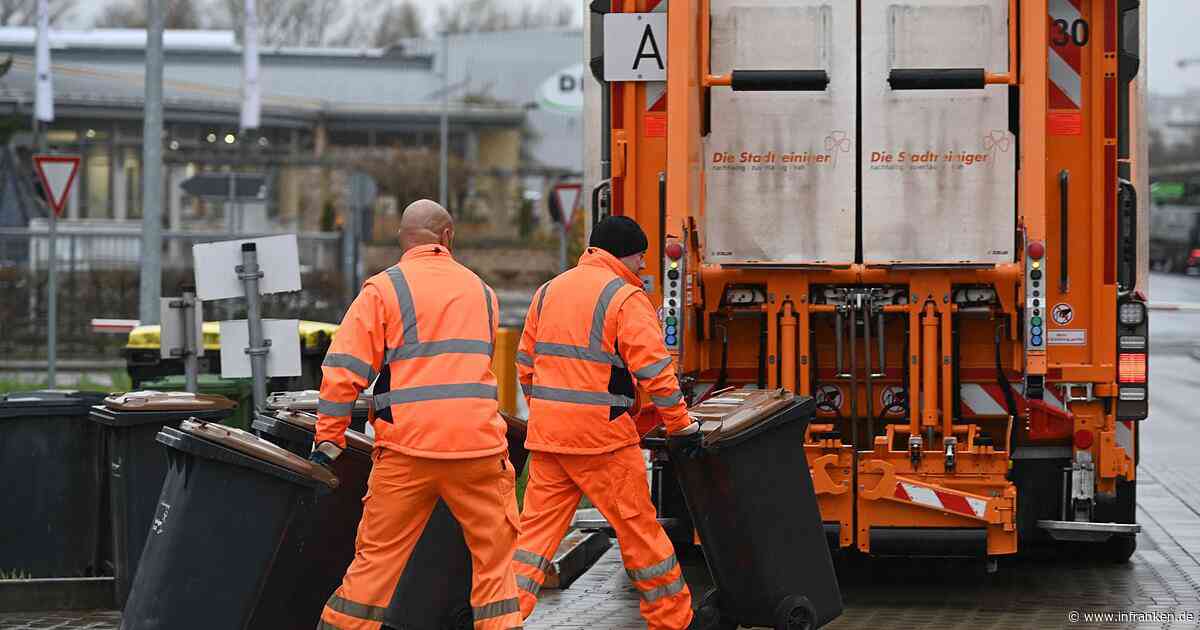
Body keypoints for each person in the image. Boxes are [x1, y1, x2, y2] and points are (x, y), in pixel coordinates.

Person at [310, 199, 522, 630]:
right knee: (495, 567)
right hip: (477, 451)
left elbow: (343, 372)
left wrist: (328, 441)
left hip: (408, 451)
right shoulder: (481, 292)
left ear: (403, 240)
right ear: (447, 237)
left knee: (376, 564)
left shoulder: (383, 290)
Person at [512, 216, 706, 630]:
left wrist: (549, 413)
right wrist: (680, 426)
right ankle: (674, 622)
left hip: (549, 441)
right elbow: (656, 372)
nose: (642, 267)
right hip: (603, 443)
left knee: (531, 543)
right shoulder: (624, 298)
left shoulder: (549, 291)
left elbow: (525, 366)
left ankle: (499, 621)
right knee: (641, 536)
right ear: (629, 253)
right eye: (641, 257)